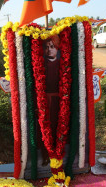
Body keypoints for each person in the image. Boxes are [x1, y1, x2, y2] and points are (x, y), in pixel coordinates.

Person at [37, 35, 60, 166]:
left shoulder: (62, 65)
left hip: (58, 102)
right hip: (44, 101)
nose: (49, 50)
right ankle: (46, 155)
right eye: (46, 47)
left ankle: (57, 154)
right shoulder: (41, 65)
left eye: (52, 47)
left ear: (57, 48)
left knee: (57, 127)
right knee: (45, 130)